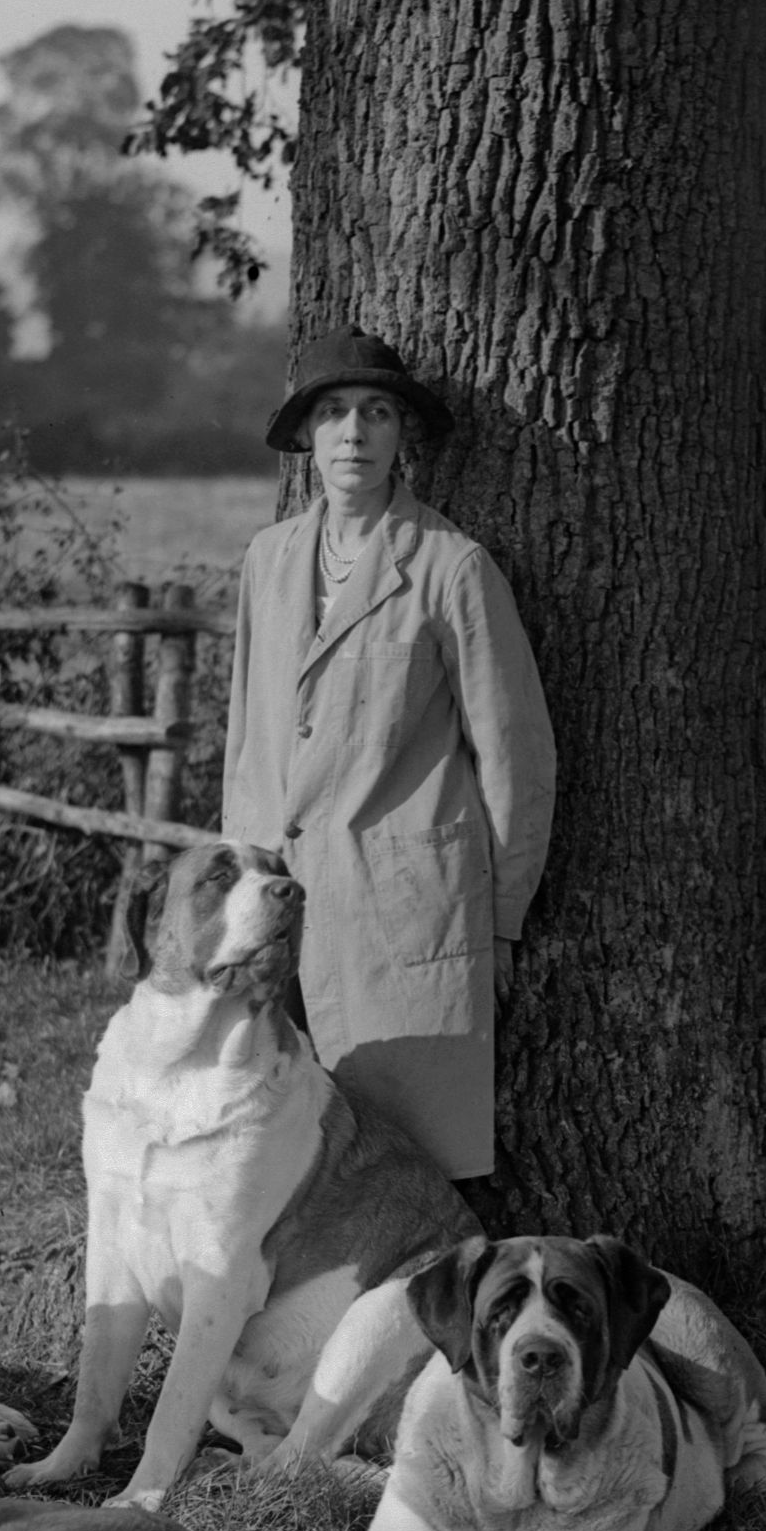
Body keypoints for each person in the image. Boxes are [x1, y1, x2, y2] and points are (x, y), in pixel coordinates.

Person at [220, 332, 556, 1191]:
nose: (352, 434)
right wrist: (235, 885)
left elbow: (516, 757)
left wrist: (504, 914)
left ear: (403, 433)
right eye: (332, 414)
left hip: (399, 907)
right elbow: (248, 733)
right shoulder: (269, 560)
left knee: (400, 1162)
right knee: (269, 1141)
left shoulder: (452, 568)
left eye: (375, 413)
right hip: (276, 892)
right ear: (306, 437)